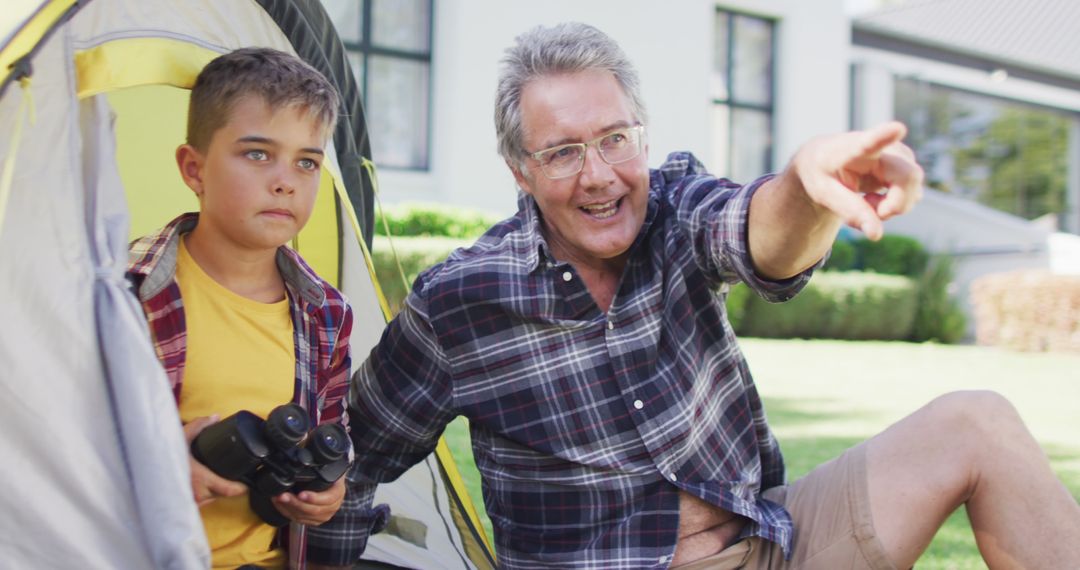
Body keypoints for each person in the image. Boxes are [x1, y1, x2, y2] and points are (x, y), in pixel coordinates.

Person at [346, 23, 1080, 569]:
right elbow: (352, 460)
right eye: (564, 152)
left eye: (615, 139)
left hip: (768, 545)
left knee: (979, 421)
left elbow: (757, 232)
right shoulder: (460, 302)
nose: (599, 175)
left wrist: (806, 183)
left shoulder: (675, 209)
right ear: (519, 168)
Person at [127, 47, 386, 569]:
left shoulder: (325, 314)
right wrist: (159, 460)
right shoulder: (127, 294)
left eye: (307, 162)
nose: (285, 180)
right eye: (257, 154)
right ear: (193, 168)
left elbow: (331, 434)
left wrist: (327, 491)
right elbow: (58, 445)